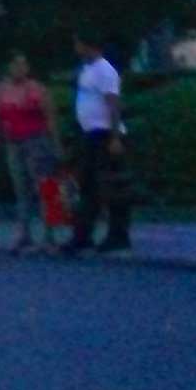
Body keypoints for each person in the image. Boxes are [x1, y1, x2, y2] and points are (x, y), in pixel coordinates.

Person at [0, 52, 63, 252]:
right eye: (16, 65)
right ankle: (25, 234)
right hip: (14, 143)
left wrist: (56, 145)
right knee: (21, 190)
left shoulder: (37, 89)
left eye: (23, 64)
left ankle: (50, 236)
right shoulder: (3, 89)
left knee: (46, 187)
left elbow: (50, 117)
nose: (20, 69)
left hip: (36, 141)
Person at [64, 33, 131, 256]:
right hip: (90, 134)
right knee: (88, 187)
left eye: (77, 42)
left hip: (104, 134)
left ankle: (118, 236)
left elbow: (113, 104)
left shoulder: (105, 70)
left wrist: (115, 137)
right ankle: (83, 235)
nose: (75, 47)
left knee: (111, 187)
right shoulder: (87, 69)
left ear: (87, 44)